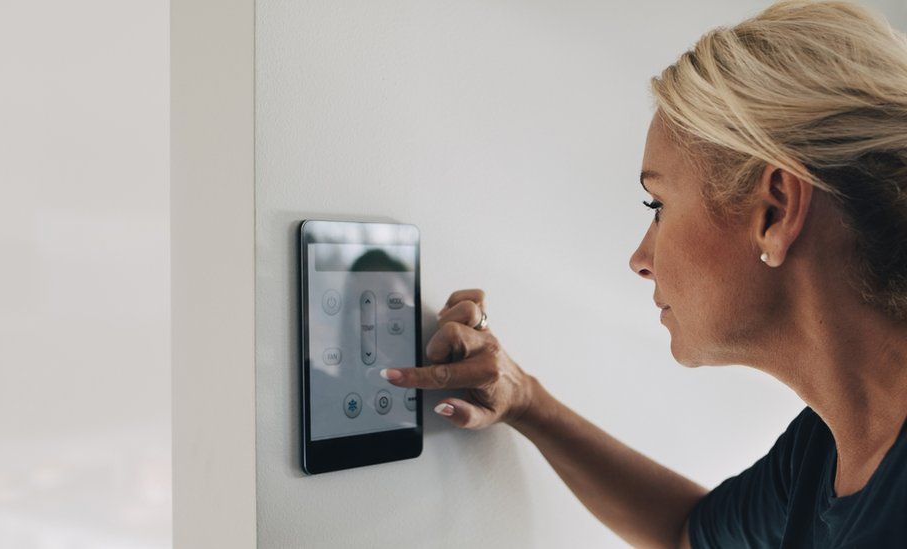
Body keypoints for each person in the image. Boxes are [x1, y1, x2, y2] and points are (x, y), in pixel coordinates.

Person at [378, 1, 907, 547]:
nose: (640, 258)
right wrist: (525, 401)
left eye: (657, 204)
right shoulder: (826, 449)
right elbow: (685, 534)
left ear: (775, 213)